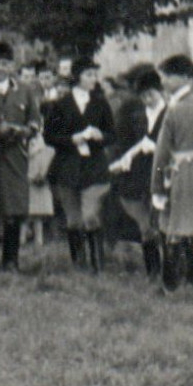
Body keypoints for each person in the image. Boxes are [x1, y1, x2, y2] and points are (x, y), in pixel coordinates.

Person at [44, 56, 116, 273]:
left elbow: (112, 134)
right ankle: (79, 265)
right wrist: (71, 140)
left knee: (90, 215)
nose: (94, 79)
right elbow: (49, 136)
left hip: (94, 167)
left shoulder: (101, 103)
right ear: (77, 78)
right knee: (74, 220)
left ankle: (98, 265)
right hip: (68, 167)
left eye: (95, 74)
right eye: (89, 74)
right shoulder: (60, 105)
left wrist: (99, 135)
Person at [0, 42, 41, 272]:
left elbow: (35, 122)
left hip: (15, 156)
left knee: (13, 209)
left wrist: (19, 130)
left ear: (12, 66)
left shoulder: (25, 90)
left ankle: (11, 260)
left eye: (5, 64)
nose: (0, 68)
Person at [151, 59, 193, 292]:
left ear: (192, 81)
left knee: (190, 226)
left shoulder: (176, 110)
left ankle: (185, 282)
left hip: (188, 175)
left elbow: (161, 154)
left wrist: (157, 188)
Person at [110, 65, 166, 279]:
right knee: (145, 224)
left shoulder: (169, 112)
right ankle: (153, 272)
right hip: (138, 174)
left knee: (161, 222)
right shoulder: (136, 113)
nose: (147, 100)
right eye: (144, 96)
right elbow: (124, 140)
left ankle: (170, 270)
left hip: (161, 171)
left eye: (151, 95)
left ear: (159, 91)